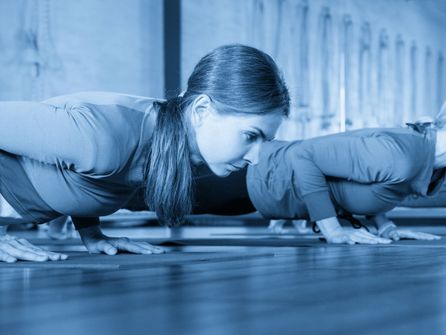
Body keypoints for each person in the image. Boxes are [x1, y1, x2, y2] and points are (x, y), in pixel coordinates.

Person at [61, 85, 446, 246]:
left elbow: (355, 186)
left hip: (257, 196)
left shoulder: (421, 159)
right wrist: (333, 229)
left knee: (141, 195)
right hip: (252, 178)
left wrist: (383, 226)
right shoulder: (404, 151)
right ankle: (56, 193)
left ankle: (74, 209)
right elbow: (303, 156)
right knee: (136, 191)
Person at [0, 44, 290, 263]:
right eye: (251, 136)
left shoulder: (168, 141)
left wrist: (92, 235)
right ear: (202, 110)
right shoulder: (98, 136)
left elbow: (82, 177)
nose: (256, 157)